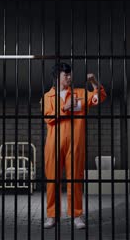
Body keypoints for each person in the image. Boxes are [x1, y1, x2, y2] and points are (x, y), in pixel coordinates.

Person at [40, 62, 106, 229]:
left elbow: (100, 97)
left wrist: (94, 82)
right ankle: (51, 215)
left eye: (70, 75)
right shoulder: (47, 97)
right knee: (52, 181)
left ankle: (77, 215)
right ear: (57, 77)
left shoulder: (80, 94)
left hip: (75, 145)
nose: (69, 77)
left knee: (75, 180)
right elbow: (48, 118)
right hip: (53, 145)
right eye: (65, 75)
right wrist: (65, 108)